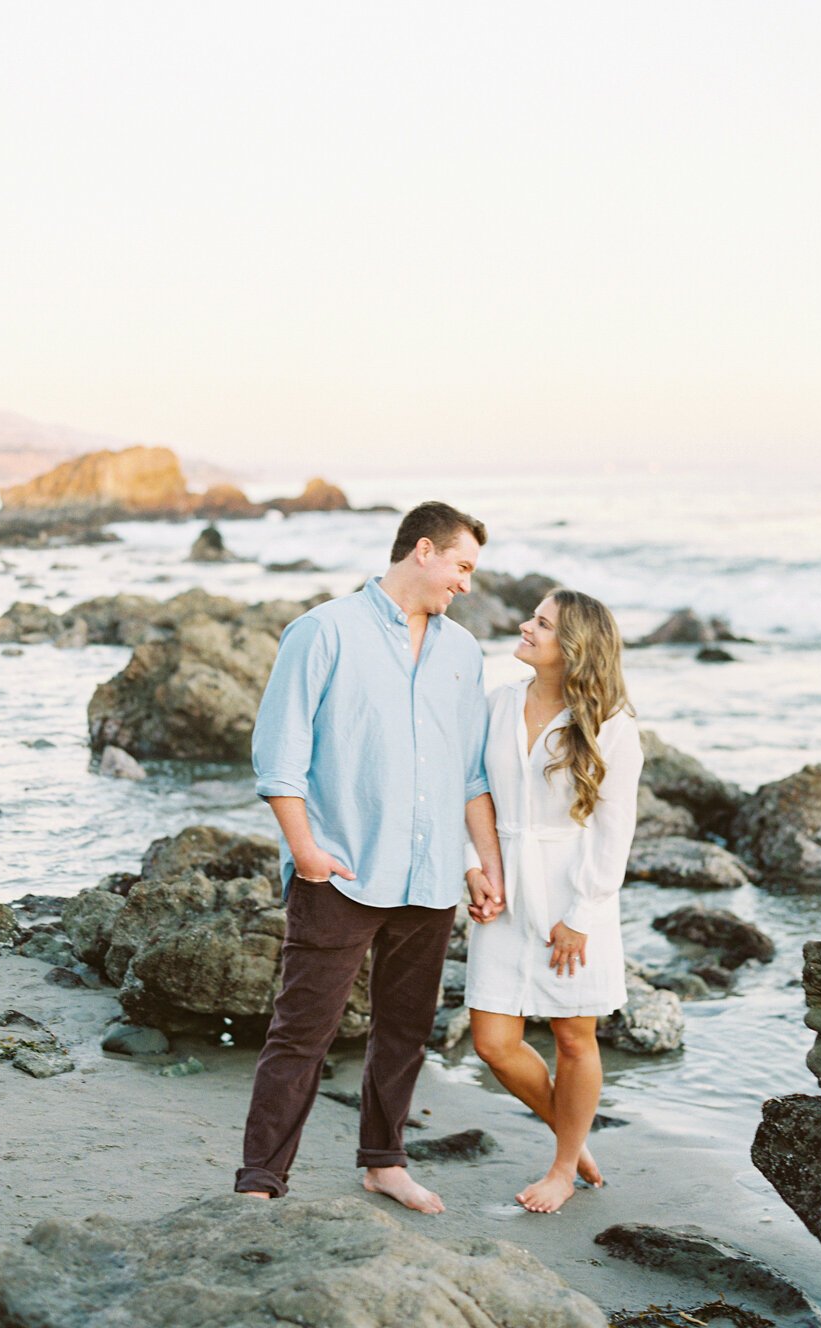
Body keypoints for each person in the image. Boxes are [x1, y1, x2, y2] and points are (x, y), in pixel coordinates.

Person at [235, 501, 505, 1214]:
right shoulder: (324, 631)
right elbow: (279, 755)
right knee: (302, 1034)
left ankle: (384, 1162)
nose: (467, 585)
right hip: (343, 872)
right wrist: (307, 853)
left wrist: (482, 865)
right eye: (462, 566)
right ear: (424, 550)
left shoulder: (462, 653)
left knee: (406, 1031)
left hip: (432, 880)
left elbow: (468, 774)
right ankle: (260, 1181)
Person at [465, 587, 642, 1214]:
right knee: (492, 1040)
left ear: (573, 648)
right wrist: (475, 868)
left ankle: (564, 1167)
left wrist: (583, 914)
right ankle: (572, 1134)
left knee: (574, 1036)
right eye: (533, 618)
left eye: (541, 623)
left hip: (575, 888)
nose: (524, 626)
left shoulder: (612, 724)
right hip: (506, 881)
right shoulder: (497, 702)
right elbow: (473, 789)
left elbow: (615, 827)